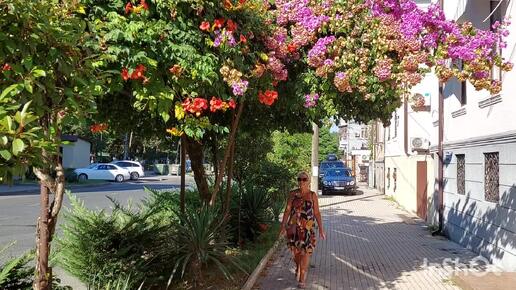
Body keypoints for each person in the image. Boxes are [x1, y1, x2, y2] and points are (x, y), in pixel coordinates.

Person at [280, 171, 326, 288]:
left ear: (309, 181)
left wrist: (321, 229)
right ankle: (298, 266)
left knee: (305, 252)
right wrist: (283, 226)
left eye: (304, 179)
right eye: (299, 179)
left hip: (308, 228)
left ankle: (302, 279)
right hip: (293, 228)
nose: (301, 181)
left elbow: (316, 213)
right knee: (295, 254)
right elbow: (287, 211)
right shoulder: (292, 194)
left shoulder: (312, 195)